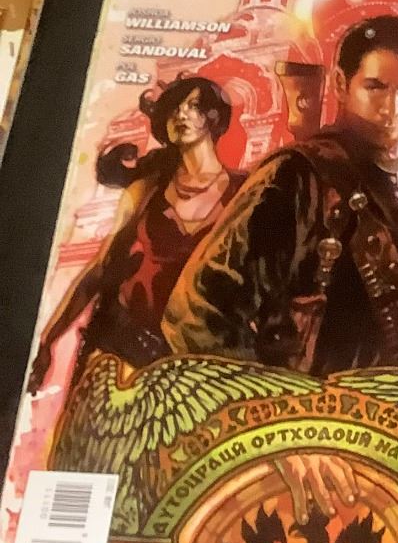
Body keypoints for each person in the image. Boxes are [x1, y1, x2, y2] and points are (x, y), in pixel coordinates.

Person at [162, 14, 398, 376]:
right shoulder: (296, 174)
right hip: (306, 401)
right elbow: (195, 312)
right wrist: (268, 394)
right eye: (375, 87)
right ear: (342, 84)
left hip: (389, 400)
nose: (392, 106)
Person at [28, 77, 243, 391]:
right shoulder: (146, 190)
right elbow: (101, 269)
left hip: (199, 364)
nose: (181, 114)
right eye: (173, 109)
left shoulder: (244, 192)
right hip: (126, 351)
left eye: (194, 106)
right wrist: (48, 339)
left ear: (214, 117)